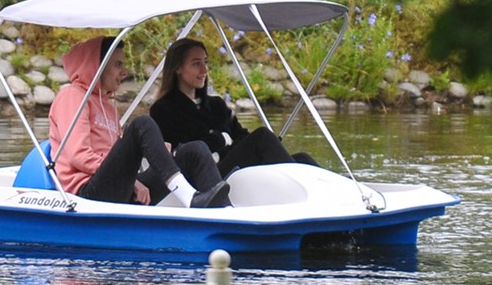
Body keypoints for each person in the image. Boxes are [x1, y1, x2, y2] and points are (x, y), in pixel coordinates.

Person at [49, 36, 231, 208]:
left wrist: (155, 152)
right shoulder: (72, 96)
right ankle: (189, 196)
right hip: (86, 193)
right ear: (97, 66)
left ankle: (226, 212)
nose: (124, 72)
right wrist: (133, 180)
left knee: (194, 150)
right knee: (141, 124)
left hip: (119, 187)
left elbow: (117, 156)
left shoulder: (109, 108)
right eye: (117, 65)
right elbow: (79, 156)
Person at [150, 38, 317, 175]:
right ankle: (296, 192)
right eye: (196, 64)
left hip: (232, 163)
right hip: (207, 175)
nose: (204, 70)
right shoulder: (163, 110)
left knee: (303, 159)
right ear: (178, 68)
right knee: (262, 136)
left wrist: (226, 142)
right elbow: (183, 153)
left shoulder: (216, 105)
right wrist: (222, 139)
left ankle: (333, 200)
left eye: (205, 63)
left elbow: (241, 136)